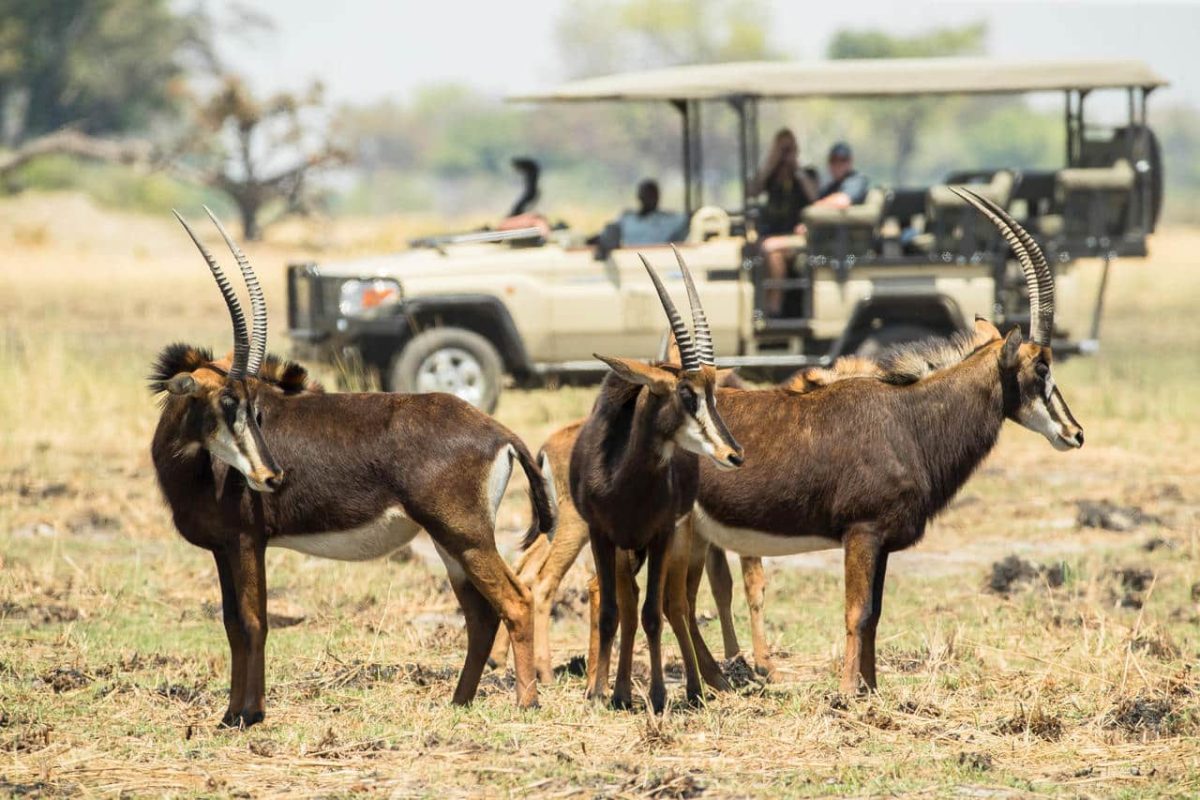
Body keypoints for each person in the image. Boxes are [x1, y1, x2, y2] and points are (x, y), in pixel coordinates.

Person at [751, 128, 818, 317]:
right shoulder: (771, 176)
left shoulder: (806, 174)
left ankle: (774, 308)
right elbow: (752, 191)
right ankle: (766, 306)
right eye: (782, 149)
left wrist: (796, 168)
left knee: (772, 252)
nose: (785, 154)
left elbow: (815, 197)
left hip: (798, 237)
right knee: (764, 250)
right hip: (771, 236)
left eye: (789, 148)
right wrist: (772, 162)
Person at [615, 179, 687, 246]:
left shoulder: (667, 220)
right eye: (647, 195)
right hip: (629, 254)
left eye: (653, 195)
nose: (650, 199)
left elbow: (684, 220)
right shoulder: (627, 219)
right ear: (639, 196)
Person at [814, 142, 869, 209]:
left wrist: (814, 207)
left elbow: (842, 201)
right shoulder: (830, 186)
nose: (838, 164)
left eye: (843, 160)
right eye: (834, 160)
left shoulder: (857, 180)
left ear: (850, 162)